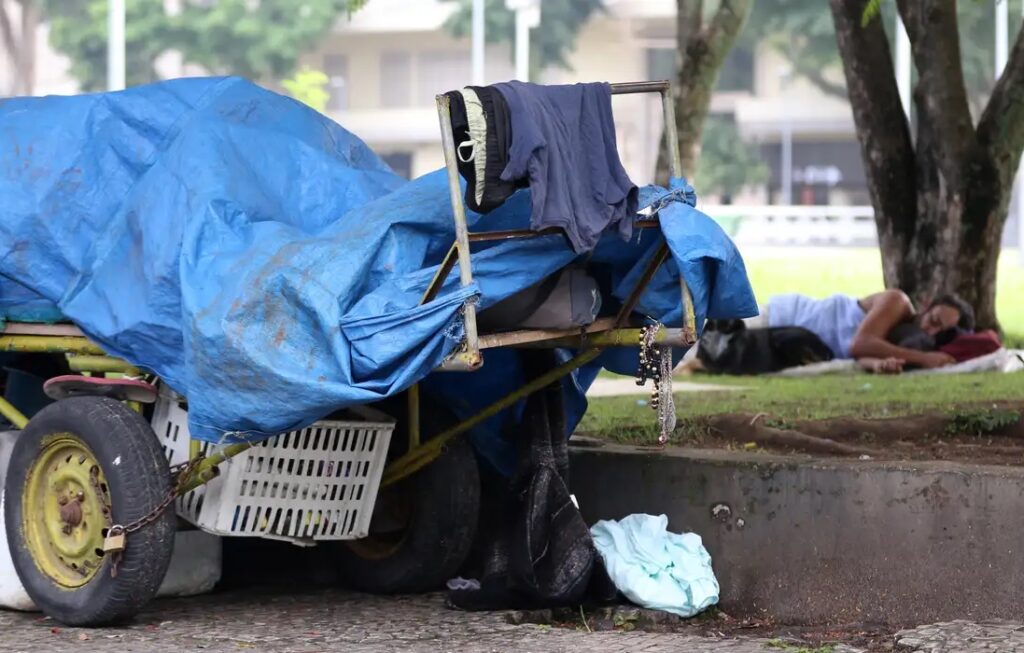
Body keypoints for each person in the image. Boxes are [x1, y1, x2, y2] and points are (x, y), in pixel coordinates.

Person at [759, 290, 975, 374]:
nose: (930, 330)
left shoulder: (907, 342)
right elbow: (859, 344)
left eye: (940, 332)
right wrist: (925, 358)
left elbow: (862, 356)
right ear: (926, 303)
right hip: (785, 315)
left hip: (790, 342)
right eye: (933, 320)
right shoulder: (898, 303)